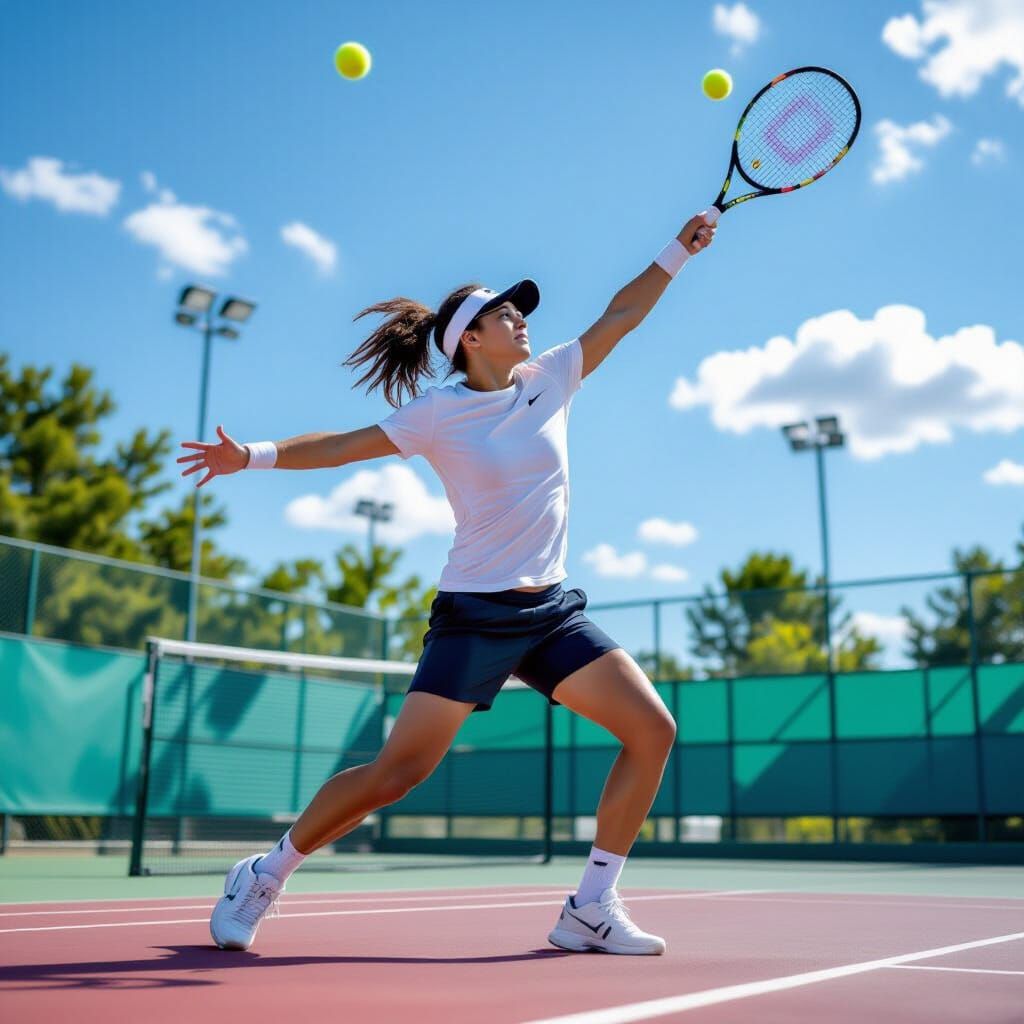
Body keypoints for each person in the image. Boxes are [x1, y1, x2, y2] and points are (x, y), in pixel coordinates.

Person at [178, 211, 715, 955]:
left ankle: (590, 907)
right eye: (505, 313)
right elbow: (341, 444)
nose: (522, 318)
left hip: (552, 610)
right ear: (470, 337)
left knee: (652, 729)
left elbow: (621, 314)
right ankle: (265, 872)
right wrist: (255, 456)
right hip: (475, 616)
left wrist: (676, 253)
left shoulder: (552, 377)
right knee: (398, 773)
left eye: (520, 310)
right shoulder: (439, 414)